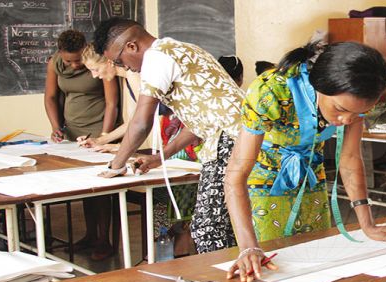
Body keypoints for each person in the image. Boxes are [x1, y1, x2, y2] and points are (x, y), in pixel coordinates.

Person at [224, 42, 386, 282]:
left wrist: (368, 225)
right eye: (340, 109)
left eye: (357, 114)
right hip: (262, 180)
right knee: (270, 271)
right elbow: (235, 176)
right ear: (320, 86)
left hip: (310, 177)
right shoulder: (271, 91)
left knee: (318, 268)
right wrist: (247, 247)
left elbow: (349, 159)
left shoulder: (353, 102)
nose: (347, 120)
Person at [92, 18, 244, 254]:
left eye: (119, 60)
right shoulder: (182, 48)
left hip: (229, 142)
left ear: (131, 46)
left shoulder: (157, 58)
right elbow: (200, 122)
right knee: (226, 226)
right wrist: (162, 157)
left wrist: (116, 165)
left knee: (207, 229)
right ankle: (238, 276)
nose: (127, 67)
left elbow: (140, 124)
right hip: (238, 138)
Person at [43, 29, 119, 260]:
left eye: (78, 60)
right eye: (69, 60)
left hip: (100, 129)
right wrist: (57, 126)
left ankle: (104, 240)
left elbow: (112, 103)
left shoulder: (97, 63)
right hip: (73, 133)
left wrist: (105, 135)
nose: (75, 65)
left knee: (102, 189)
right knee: (85, 186)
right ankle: (90, 235)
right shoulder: (55, 64)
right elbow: (50, 97)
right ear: (60, 55)